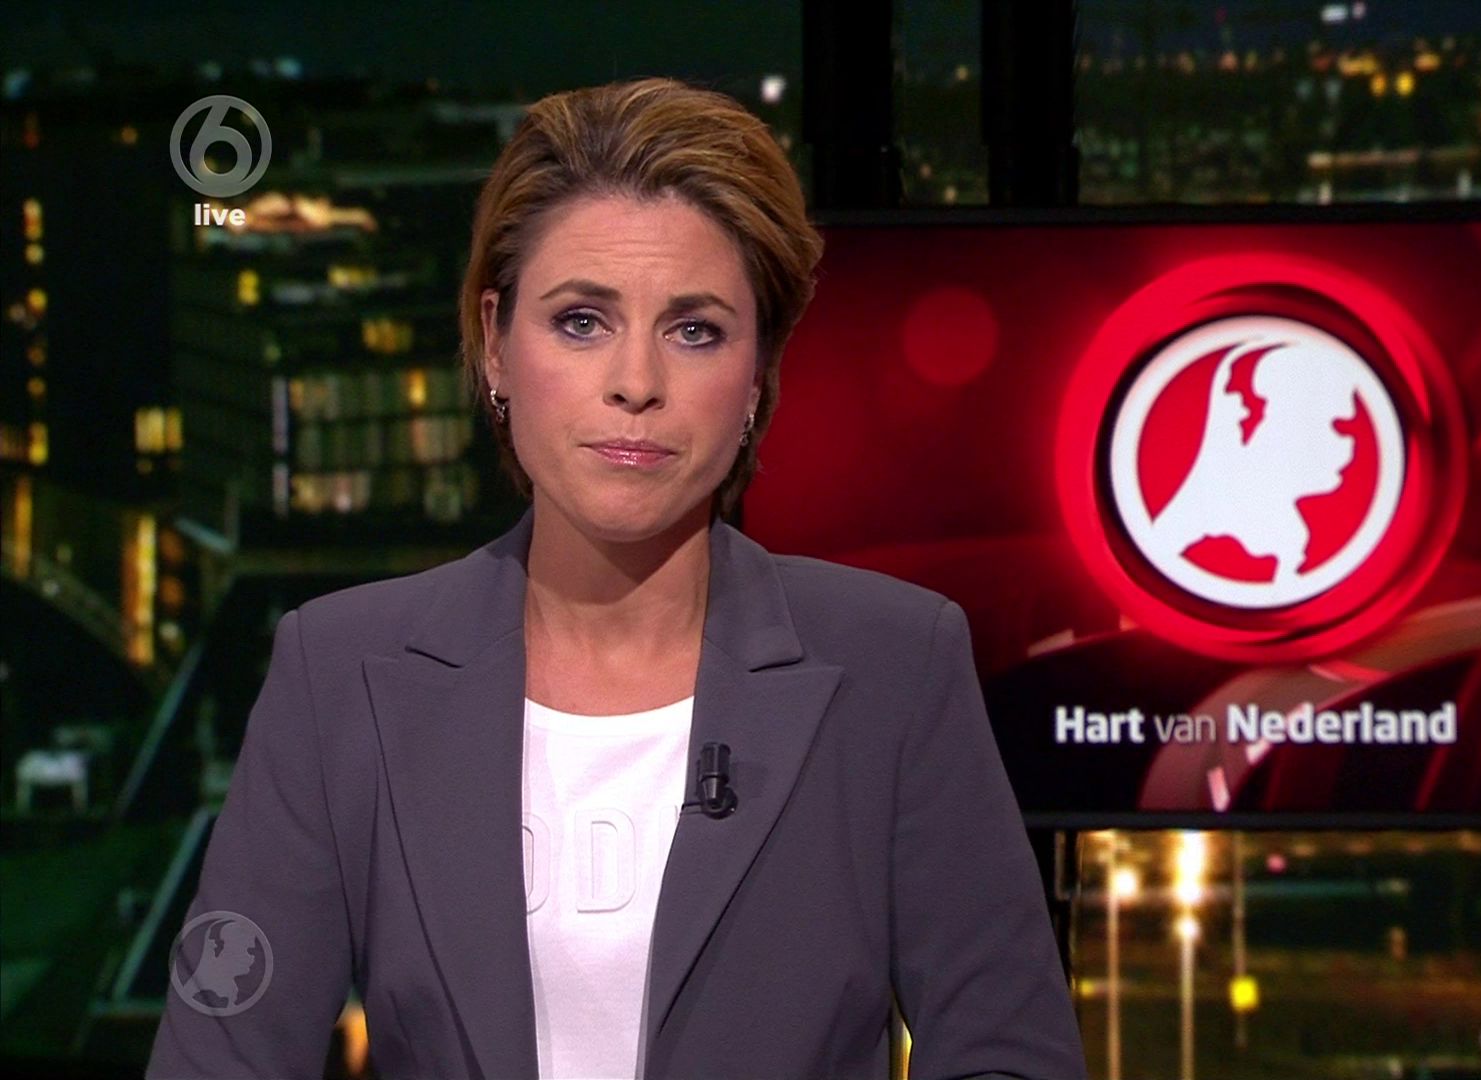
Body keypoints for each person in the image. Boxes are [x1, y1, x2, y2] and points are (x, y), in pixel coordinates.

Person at [147, 76, 1087, 1080]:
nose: (636, 383)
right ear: (496, 342)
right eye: (582, 321)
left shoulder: (894, 667)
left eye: (695, 330)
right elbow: (221, 1061)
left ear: (758, 374)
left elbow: (1009, 1056)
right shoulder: (339, 673)